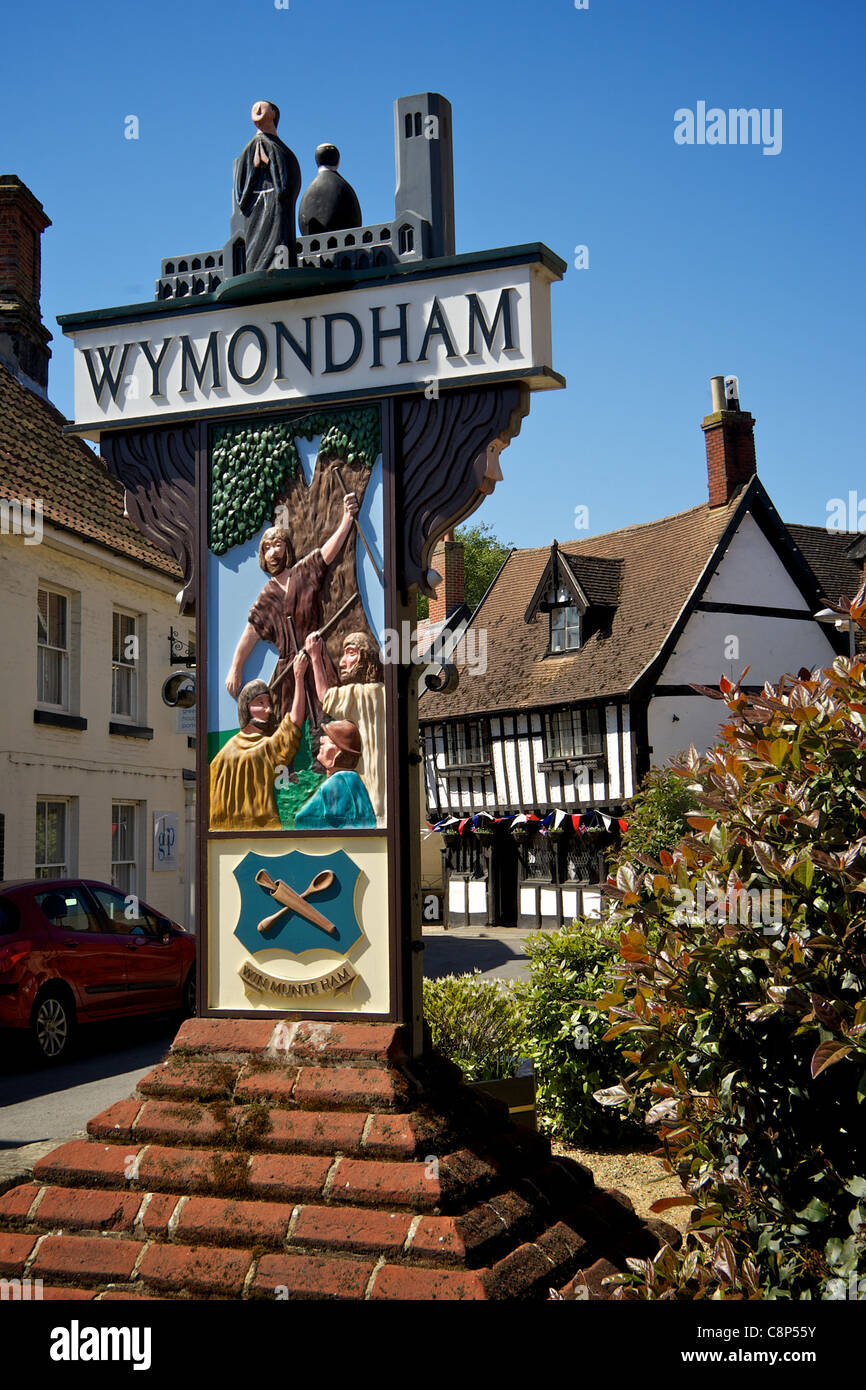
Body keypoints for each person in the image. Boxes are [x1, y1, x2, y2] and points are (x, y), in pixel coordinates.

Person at [225, 489, 358, 727]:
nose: (273, 552)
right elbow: (250, 634)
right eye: (266, 548)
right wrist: (236, 667)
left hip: (317, 657)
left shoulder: (304, 573)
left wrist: (347, 518)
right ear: (262, 557)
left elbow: (329, 551)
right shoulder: (267, 596)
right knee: (290, 725)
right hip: (289, 669)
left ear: (286, 549)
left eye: (277, 545)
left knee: (326, 714)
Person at [210, 650, 308, 830]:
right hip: (264, 832)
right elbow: (294, 723)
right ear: (246, 708)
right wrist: (299, 677)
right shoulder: (262, 749)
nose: (269, 710)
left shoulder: (219, 757)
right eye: (260, 703)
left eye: (269, 704)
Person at [305, 629, 386, 824]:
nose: (342, 662)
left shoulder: (358, 694)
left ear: (366, 657)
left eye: (350, 653)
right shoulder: (387, 693)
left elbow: (325, 697)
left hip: (368, 790)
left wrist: (315, 657)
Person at [234, 100, 302, 272]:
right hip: (255, 214)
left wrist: (269, 163)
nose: (257, 108)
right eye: (254, 106)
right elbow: (241, 196)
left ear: (273, 114)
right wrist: (256, 169)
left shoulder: (281, 150)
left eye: (263, 106)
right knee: (257, 245)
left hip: (277, 213)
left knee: (278, 242)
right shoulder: (249, 150)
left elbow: (285, 188)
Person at [294, 719, 376, 830]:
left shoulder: (338, 781)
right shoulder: (353, 779)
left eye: (326, 742)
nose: (321, 744)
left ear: (336, 753)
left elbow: (334, 820)